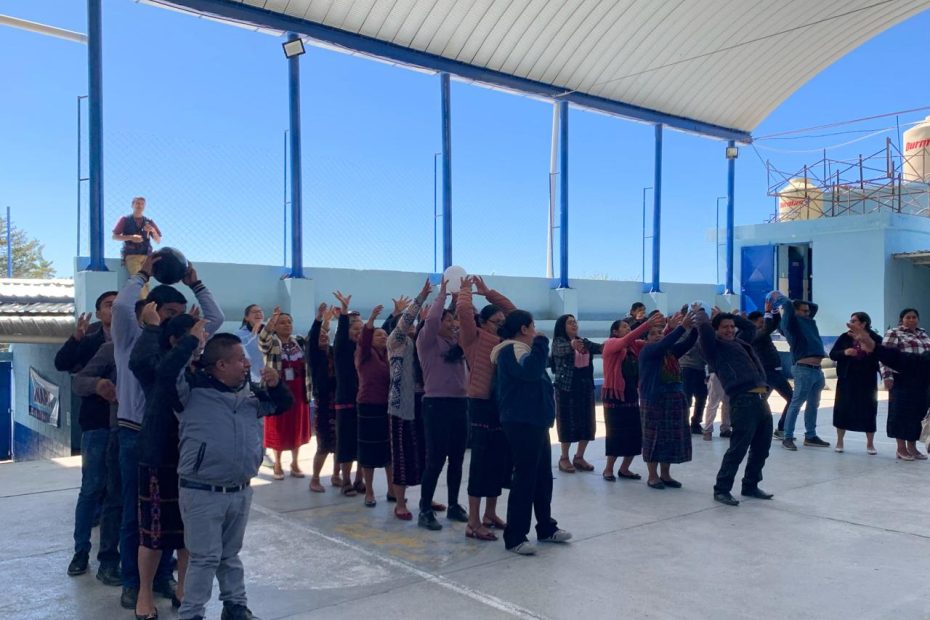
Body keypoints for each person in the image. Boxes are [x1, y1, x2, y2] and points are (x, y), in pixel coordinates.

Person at [111, 254, 224, 611]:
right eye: (170, 313)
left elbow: (215, 319)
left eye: (180, 314)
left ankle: (164, 579)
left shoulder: (181, 344)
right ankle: (134, 584)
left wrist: (196, 284)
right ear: (153, 311)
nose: (176, 319)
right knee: (138, 516)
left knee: (175, 517)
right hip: (136, 433)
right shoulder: (133, 336)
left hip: (178, 439)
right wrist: (142, 274)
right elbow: (122, 308)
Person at [162, 331, 293, 620]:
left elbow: (282, 405)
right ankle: (192, 614)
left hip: (240, 490)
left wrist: (276, 386)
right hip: (201, 491)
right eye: (240, 359)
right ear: (221, 365)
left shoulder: (250, 395)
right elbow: (167, 371)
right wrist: (190, 341)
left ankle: (235, 606)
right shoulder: (190, 392)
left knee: (230, 554)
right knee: (204, 558)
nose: (247, 364)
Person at [129, 311, 202, 619]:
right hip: (158, 457)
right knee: (153, 533)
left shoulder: (199, 369)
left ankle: (183, 588)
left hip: (190, 460)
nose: (200, 343)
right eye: (194, 338)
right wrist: (151, 327)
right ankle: (144, 594)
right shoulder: (157, 366)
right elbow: (141, 362)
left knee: (188, 531)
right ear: (174, 340)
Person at [491, 310, 571, 555]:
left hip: (535, 421)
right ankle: (515, 536)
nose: (535, 331)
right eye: (532, 326)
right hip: (522, 422)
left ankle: (546, 527)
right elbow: (531, 372)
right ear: (524, 329)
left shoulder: (522, 350)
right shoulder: (512, 350)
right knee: (525, 478)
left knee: (542, 477)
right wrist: (541, 343)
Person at [55, 291, 122, 584]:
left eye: (120, 305)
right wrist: (77, 339)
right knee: (92, 488)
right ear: (98, 313)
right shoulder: (91, 340)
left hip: (127, 426)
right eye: (109, 305)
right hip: (97, 424)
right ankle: (81, 551)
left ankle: (115, 555)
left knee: (120, 493)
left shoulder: (137, 338)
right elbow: (62, 364)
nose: (115, 309)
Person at [696, 308, 774, 507]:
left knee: (762, 448)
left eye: (732, 327)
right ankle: (721, 489)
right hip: (743, 401)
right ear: (716, 330)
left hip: (761, 400)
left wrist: (732, 317)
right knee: (738, 448)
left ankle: (750, 485)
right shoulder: (713, 348)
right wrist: (704, 313)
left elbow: (750, 327)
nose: (730, 330)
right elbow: (704, 328)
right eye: (725, 327)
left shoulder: (740, 342)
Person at [457, 275, 514, 540]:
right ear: (482, 322)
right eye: (496, 322)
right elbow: (463, 311)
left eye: (503, 323)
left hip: (501, 405)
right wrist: (466, 290)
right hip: (480, 404)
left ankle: (490, 513)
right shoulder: (473, 338)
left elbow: (515, 313)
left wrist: (489, 293)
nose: (501, 325)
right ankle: (473, 521)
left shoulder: (505, 341)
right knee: (480, 463)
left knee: (498, 461)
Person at [415, 277, 470, 531]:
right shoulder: (427, 341)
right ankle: (425, 509)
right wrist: (443, 293)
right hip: (436, 405)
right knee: (435, 460)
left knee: (457, 459)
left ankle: (454, 505)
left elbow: (467, 322)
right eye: (447, 321)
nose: (451, 324)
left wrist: (460, 299)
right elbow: (433, 319)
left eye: (453, 320)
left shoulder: (457, 344)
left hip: (460, 404)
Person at [386, 281, 432, 521]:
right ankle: (400, 502)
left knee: (426, 454)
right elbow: (405, 322)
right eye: (409, 324)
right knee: (402, 456)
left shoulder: (420, 344)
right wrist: (420, 298)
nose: (412, 326)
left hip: (423, 403)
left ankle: (427, 498)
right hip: (401, 407)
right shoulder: (395, 342)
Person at [638, 311, 697, 489]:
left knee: (670, 438)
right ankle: (652, 475)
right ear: (646, 339)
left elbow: (688, 343)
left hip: (674, 399)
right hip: (655, 400)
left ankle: (665, 474)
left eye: (659, 332)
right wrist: (681, 327)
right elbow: (665, 343)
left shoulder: (669, 352)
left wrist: (697, 327)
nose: (658, 336)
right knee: (653, 439)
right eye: (653, 334)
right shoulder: (648, 351)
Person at [600, 314, 662, 482]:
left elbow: (655, 341)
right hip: (614, 397)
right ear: (615, 331)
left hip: (631, 395)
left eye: (629, 327)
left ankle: (625, 468)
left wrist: (669, 328)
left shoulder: (634, 346)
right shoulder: (611, 344)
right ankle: (608, 469)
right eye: (624, 327)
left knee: (635, 434)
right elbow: (627, 339)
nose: (628, 329)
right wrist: (646, 324)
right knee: (615, 434)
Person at [259, 307, 311, 480]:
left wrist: (324, 321)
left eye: (289, 322)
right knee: (278, 425)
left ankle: (295, 462)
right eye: (282, 323)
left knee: (297, 425)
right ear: (275, 326)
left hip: (299, 390)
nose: (287, 325)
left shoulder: (299, 342)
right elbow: (263, 340)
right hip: (279, 391)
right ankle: (278, 463)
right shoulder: (272, 343)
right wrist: (270, 323)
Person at [550, 314, 602, 473]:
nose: (574, 325)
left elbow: (600, 348)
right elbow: (563, 349)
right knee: (567, 423)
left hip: (585, 387)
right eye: (570, 323)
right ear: (562, 326)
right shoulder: (558, 343)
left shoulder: (583, 342)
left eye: (575, 322)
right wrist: (572, 344)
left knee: (587, 422)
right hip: (566, 389)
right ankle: (564, 458)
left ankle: (579, 457)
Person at [778, 296, 831, 450]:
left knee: (813, 404)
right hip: (803, 369)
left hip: (817, 370)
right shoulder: (791, 326)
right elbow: (788, 311)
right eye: (804, 311)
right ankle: (787, 437)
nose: (808, 313)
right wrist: (787, 301)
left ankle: (810, 436)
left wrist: (799, 304)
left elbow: (814, 307)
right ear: (794, 312)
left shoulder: (809, 323)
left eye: (808, 311)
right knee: (796, 404)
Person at [354, 304, 394, 506]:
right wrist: (370, 321)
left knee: (389, 450)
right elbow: (364, 338)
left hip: (387, 407)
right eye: (379, 335)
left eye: (385, 335)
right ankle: (369, 491)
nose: (383, 337)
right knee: (369, 451)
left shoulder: (389, 356)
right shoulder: (364, 353)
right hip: (368, 406)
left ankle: (392, 489)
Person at [879, 308, 930, 460]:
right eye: (908, 317)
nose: (911, 320)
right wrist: (887, 376)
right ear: (901, 319)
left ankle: (912, 448)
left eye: (914, 317)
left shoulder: (923, 334)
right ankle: (901, 448)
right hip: (902, 379)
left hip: (922, 380)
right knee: (901, 413)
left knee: (918, 413)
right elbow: (885, 356)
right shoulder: (894, 333)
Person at [829, 312, 882, 455]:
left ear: (863, 323)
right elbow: (833, 354)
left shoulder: (875, 338)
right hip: (847, 378)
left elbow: (882, 355)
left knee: (869, 410)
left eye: (854, 321)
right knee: (842, 409)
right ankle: (840, 441)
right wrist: (845, 352)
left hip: (867, 380)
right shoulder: (845, 337)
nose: (851, 323)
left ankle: (870, 444)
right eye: (850, 320)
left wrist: (869, 350)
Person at [333, 291, 365, 495]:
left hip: (364, 401)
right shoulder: (342, 348)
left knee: (362, 441)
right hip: (346, 401)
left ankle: (359, 479)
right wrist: (344, 313)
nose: (358, 332)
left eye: (361, 329)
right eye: (355, 329)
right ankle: (346, 481)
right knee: (345, 442)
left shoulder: (367, 350)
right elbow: (341, 334)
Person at [306, 303, 340, 493]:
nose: (324, 337)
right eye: (320, 335)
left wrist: (333, 321)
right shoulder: (315, 356)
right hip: (324, 404)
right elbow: (313, 338)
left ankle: (336, 475)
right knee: (324, 444)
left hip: (339, 401)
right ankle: (315, 478)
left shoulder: (334, 352)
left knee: (340, 442)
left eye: (326, 335)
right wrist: (319, 319)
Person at [746, 307, 793, 439]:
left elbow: (773, 325)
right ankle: (757, 429)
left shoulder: (763, 333)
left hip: (773, 373)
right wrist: (767, 312)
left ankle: (779, 428)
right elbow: (768, 327)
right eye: (761, 322)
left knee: (764, 401)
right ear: (752, 323)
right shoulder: (753, 335)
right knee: (763, 402)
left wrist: (775, 312)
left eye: (763, 321)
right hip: (767, 374)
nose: (763, 324)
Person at [112, 197, 162, 297]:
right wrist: (131, 237)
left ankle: (146, 303)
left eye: (142, 204)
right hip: (132, 256)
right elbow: (114, 236)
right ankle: (145, 304)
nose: (140, 206)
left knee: (146, 283)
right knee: (138, 281)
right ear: (132, 205)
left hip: (146, 256)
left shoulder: (149, 221)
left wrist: (152, 230)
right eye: (137, 203)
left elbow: (158, 240)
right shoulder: (125, 220)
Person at [679, 328, 708, 436]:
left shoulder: (703, 331)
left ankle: (696, 422)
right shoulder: (683, 331)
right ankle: (683, 423)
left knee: (702, 396)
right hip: (686, 367)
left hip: (700, 367)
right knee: (686, 397)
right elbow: (684, 348)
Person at [235, 304, 265, 383]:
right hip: (249, 376)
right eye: (254, 312)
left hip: (268, 375)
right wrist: (254, 332)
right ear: (246, 317)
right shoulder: (239, 334)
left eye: (260, 311)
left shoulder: (270, 332)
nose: (258, 313)